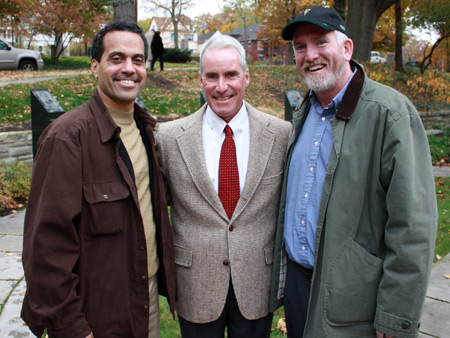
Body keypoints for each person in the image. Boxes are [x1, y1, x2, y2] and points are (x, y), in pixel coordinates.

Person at [269, 6, 438, 338]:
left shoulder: (389, 114)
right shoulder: (306, 111)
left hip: (354, 300)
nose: (310, 55)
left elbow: (413, 225)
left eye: (320, 42)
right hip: (299, 290)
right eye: (300, 47)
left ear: (346, 49)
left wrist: (396, 312)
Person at [21, 21, 176, 338]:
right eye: (116, 58)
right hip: (95, 315)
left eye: (137, 60)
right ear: (95, 66)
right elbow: (45, 251)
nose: (128, 69)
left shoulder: (145, 131)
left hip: (143, 301)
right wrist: (73, 328)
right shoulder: (67, 138)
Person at [155, 32, 292, 338]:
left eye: (230, 75)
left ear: (246, 77)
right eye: (212, 76)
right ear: (200, 80)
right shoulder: (169, 137)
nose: (221, 86)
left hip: (257, 281)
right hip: (196, 284)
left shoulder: (281, 135)